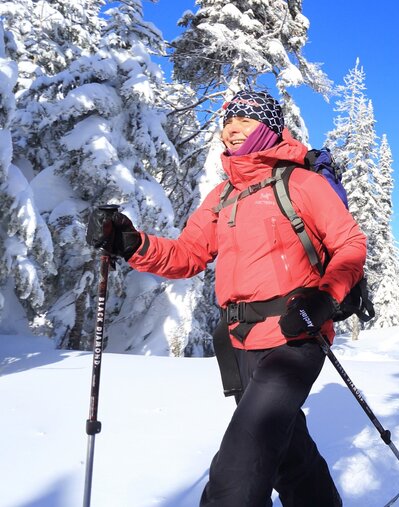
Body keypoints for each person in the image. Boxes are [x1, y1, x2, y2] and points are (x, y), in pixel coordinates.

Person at [86, 89, 365, 506]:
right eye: (227, 121)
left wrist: (324, 299)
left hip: (294, 338)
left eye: (244, 120)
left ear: (268, 128)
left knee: (239, 471)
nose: (230, 129)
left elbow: (350, 244)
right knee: (288, 453)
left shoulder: (300, 183)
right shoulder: (223, 197)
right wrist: (131, 243)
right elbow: (187, 255)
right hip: (238, 343)